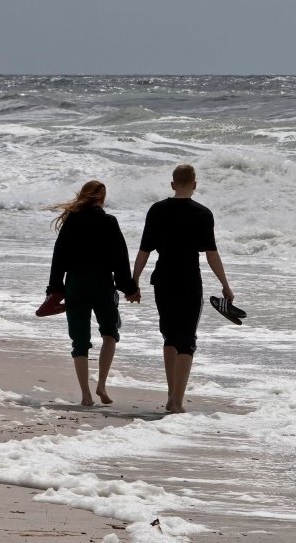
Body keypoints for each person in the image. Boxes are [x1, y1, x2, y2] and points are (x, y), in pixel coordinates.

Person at [132, 164, 233, 414]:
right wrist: (225, 285)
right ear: (195, 184)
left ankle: (170, 395)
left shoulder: (157, 210)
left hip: (163, 279)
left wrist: (133, 281)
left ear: (172, 184)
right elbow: (211, 254)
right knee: (187, 339)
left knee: (170, 336)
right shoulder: (202, 213)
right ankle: (178, 401)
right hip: (189, 280)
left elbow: (144, 250)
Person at [43, 180, 139, 407]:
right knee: (109, 332)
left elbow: (59, 258)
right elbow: (120, 258)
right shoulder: (108, 221)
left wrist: (55, 289)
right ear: (102, 198)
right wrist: (130, 288)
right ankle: (102, 384)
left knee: (79, 340)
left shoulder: (71, 221)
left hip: (75, 282)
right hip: (102, 283)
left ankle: (85, 395)